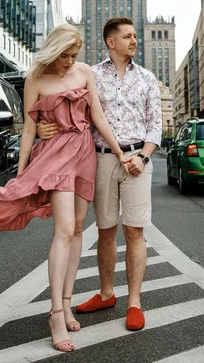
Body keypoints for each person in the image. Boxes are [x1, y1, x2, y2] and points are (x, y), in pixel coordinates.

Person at [0, 24, 128, 353]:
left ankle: (66, 303)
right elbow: (28, 129)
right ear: (53, 52)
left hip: (84, 154)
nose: (70, 62)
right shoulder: (35, 78)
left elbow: (96, 115)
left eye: (74, 56)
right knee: (64, 228)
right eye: (65, 56)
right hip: (54, 156)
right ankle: (55, 314)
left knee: (79, 227)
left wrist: (121, 152)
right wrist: (21, 172)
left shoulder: (84, 72)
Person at [38, 17, 162, 332]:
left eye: (135, 36)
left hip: (137, 160)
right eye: (128, 36)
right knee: (105, 230)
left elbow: (155, 124)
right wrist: (41, 124)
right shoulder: (88, 73)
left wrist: (143, 157)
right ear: (111, 42)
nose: (135, 41)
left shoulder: (147, 78)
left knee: (134, 232)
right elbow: (65, 109)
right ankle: (107, 293)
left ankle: (134, 302)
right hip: (100, 159)